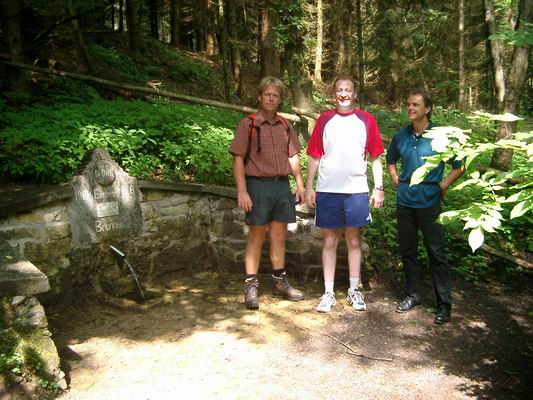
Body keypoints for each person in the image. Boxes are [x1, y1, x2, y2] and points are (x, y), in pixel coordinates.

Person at [305, 75, 385, 313]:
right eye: (339, 90)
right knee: (330, 241)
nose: (343, 94)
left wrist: (379, 187)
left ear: (355, 93)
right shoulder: (324, 120)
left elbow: (376, 157)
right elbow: (314, 156)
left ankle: (353, 290)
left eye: (348, 90)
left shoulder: (366, 120)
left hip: (356, 190)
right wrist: (309, 187)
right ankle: (328, 293)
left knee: (354, 240)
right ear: (334, 94)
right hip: (328, 189)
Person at [386, 88, 463, 325]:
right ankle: (413, 295)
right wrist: (395, 177)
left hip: (429, 201)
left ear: (427, 108)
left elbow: (459, 165)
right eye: (408, 104)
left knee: (436, 252)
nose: (410, 108)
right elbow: (390, 159)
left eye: (416, 105)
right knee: (407, 250)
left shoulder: (441, 136)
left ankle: (444, 305)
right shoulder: (401, 136)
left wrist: (443, 184)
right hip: (405, 201)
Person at [229, 76, 306, 310]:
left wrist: (300, 184)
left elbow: (293, 156)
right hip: (258, 185)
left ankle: (279, 282)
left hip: (281, 186)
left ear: (279, 99)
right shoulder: (248, 125)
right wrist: (242, 191)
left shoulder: (285, 126)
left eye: (275, 95)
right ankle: (250, 285)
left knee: (279, 236)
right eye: (267, 95)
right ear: (259, 97)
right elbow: (238, 159)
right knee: (256, 236)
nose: (271, 99)